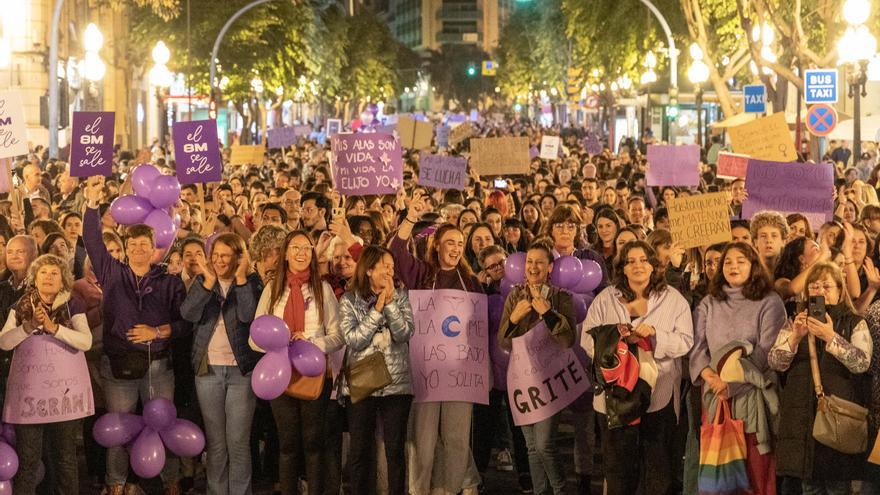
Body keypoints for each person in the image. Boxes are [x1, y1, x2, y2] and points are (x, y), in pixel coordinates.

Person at [82, 177, 187, 495]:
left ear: (154, 247)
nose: (139, 249)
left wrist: (159, 331)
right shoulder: (112, 273)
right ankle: (116, 484)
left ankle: (171, 481)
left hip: (159, 366)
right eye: (133, 245)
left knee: (164, 424)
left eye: (145, 244)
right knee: (120, 427)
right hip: (120, 366)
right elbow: (92, 240)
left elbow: (184, 325)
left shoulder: (169, 280)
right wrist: (91, 203)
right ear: (126, 249)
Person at [389, 190, 483, 495]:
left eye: (460, 243)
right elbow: (397, 254)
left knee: (456, 440)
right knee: (423, 440)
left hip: (459, 376)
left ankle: (449, 490)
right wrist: (411, 217)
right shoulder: (422, 274)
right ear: (436, 245)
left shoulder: (471, 282)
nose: (455, 248)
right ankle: (419, 490)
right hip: (426, 373)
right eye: (449, 242)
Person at [582, 240, 694, 495]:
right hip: (615, 400)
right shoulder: (605, 299)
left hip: (658, 396)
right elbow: (587, 340)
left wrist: (655, 336)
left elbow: (686, 340)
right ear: (621, 267)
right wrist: (618, 339)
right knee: (619, 471)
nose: (638, 266)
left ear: (654, 265)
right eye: (631, 261)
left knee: (657, 470)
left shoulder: (673, 299)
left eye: (643, 260)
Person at [251, 230, 343, 495]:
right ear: (286, 253)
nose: (301, 253)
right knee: (288, 444)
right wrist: (279, 343)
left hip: (314, 374)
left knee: (313, 443)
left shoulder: (322, 288)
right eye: (295, 248)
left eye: (307, 248)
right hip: (280, 375)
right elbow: (255, 337)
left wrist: (312, 343)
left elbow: (337, 335)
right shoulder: (273, 288)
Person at [690, 242, 786, 494]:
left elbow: (766, 351)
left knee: (755, 471)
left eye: (741, 261)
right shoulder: (708, 303)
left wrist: (733, 384)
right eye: (728, 262)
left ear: (753, 266)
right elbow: (697, 347)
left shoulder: (770, 301)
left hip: (752, 396)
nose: (733, 266)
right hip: (716, 397)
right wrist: (710, 376)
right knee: (720, 473)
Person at [769, 262, 873, 494]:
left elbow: (862, 363)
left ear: (839, 290)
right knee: (809, 487)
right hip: (801, 420)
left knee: (838, 486)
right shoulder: (795, 322)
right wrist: (795, 338)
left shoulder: (854, 322)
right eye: (814, 286)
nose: (820, 291)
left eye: (827, 285)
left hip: (838, 419)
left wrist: (831, 336)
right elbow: (776, 362)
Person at [0, 254, 92, 494]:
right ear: (34, 278)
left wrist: (55, 328)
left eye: (54, 273)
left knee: (65, 458)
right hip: (30, 396)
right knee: (28, 459)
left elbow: (86, 341)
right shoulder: (20, 306)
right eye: (43, 273)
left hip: (63, 397)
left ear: (63, 279)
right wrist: (28, 326)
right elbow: (4, 343)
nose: (48, 277)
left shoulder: (73, 305)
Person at [180, 233, 262, 495]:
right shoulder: (203, 281)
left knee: (237, 442)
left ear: (239, 257)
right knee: (216, 443)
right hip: (208, 371)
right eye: (215, 255)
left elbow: (248, 315)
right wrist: (208, 284)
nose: (218, 260)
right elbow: (188, 314)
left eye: (225, 255)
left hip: (241, 372)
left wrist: (240, 280)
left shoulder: (251, 281)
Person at [498, 242, 576, 495]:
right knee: (532, 447)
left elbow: (568, 340)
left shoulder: (561, 297)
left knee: (544, 445)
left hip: (550, 379)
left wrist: (548, 313)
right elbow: (502, 342)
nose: (533, 267)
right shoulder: (514, 296)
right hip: (523, 381)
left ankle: (561, 490)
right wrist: (514, 318)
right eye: (529, 261)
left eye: (539, 262)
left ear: (550, 267)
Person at [338, 245, 415, 495]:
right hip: (363, 380)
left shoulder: (401, 295)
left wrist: (390, 304)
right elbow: (354, 340)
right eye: (385, 266)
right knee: (361, 450)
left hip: (397, 382)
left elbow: (404, 333)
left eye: (392, 267)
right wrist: (377, 310)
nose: (390, 271)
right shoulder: (349, 299)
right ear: (369, 269)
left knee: (395, 450)